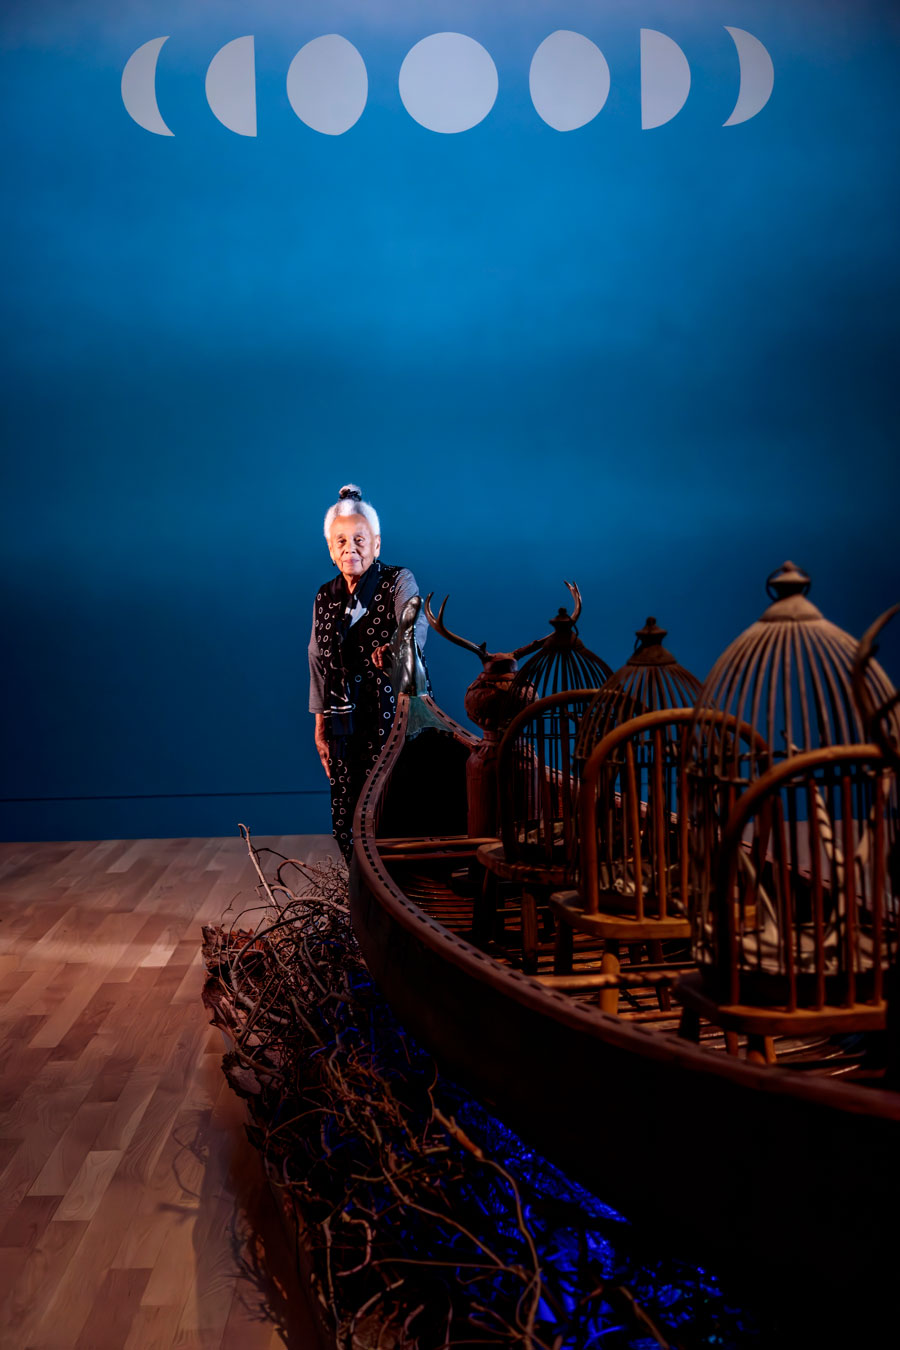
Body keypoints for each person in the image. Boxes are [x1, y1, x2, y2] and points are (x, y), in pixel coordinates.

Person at [309, 485, 428, 860]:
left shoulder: (398, 580)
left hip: (395, 717)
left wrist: (393, 649)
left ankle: (406, 903)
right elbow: (316, 658)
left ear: (376, 544)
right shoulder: (325, 596)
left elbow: (414, 626)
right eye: (340, 541)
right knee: (349, 817)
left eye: (359, 539)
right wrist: (319, 722)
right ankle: (363, 899)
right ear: (330, 550)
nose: (350, 548)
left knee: (399, 810)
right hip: (345, 722)